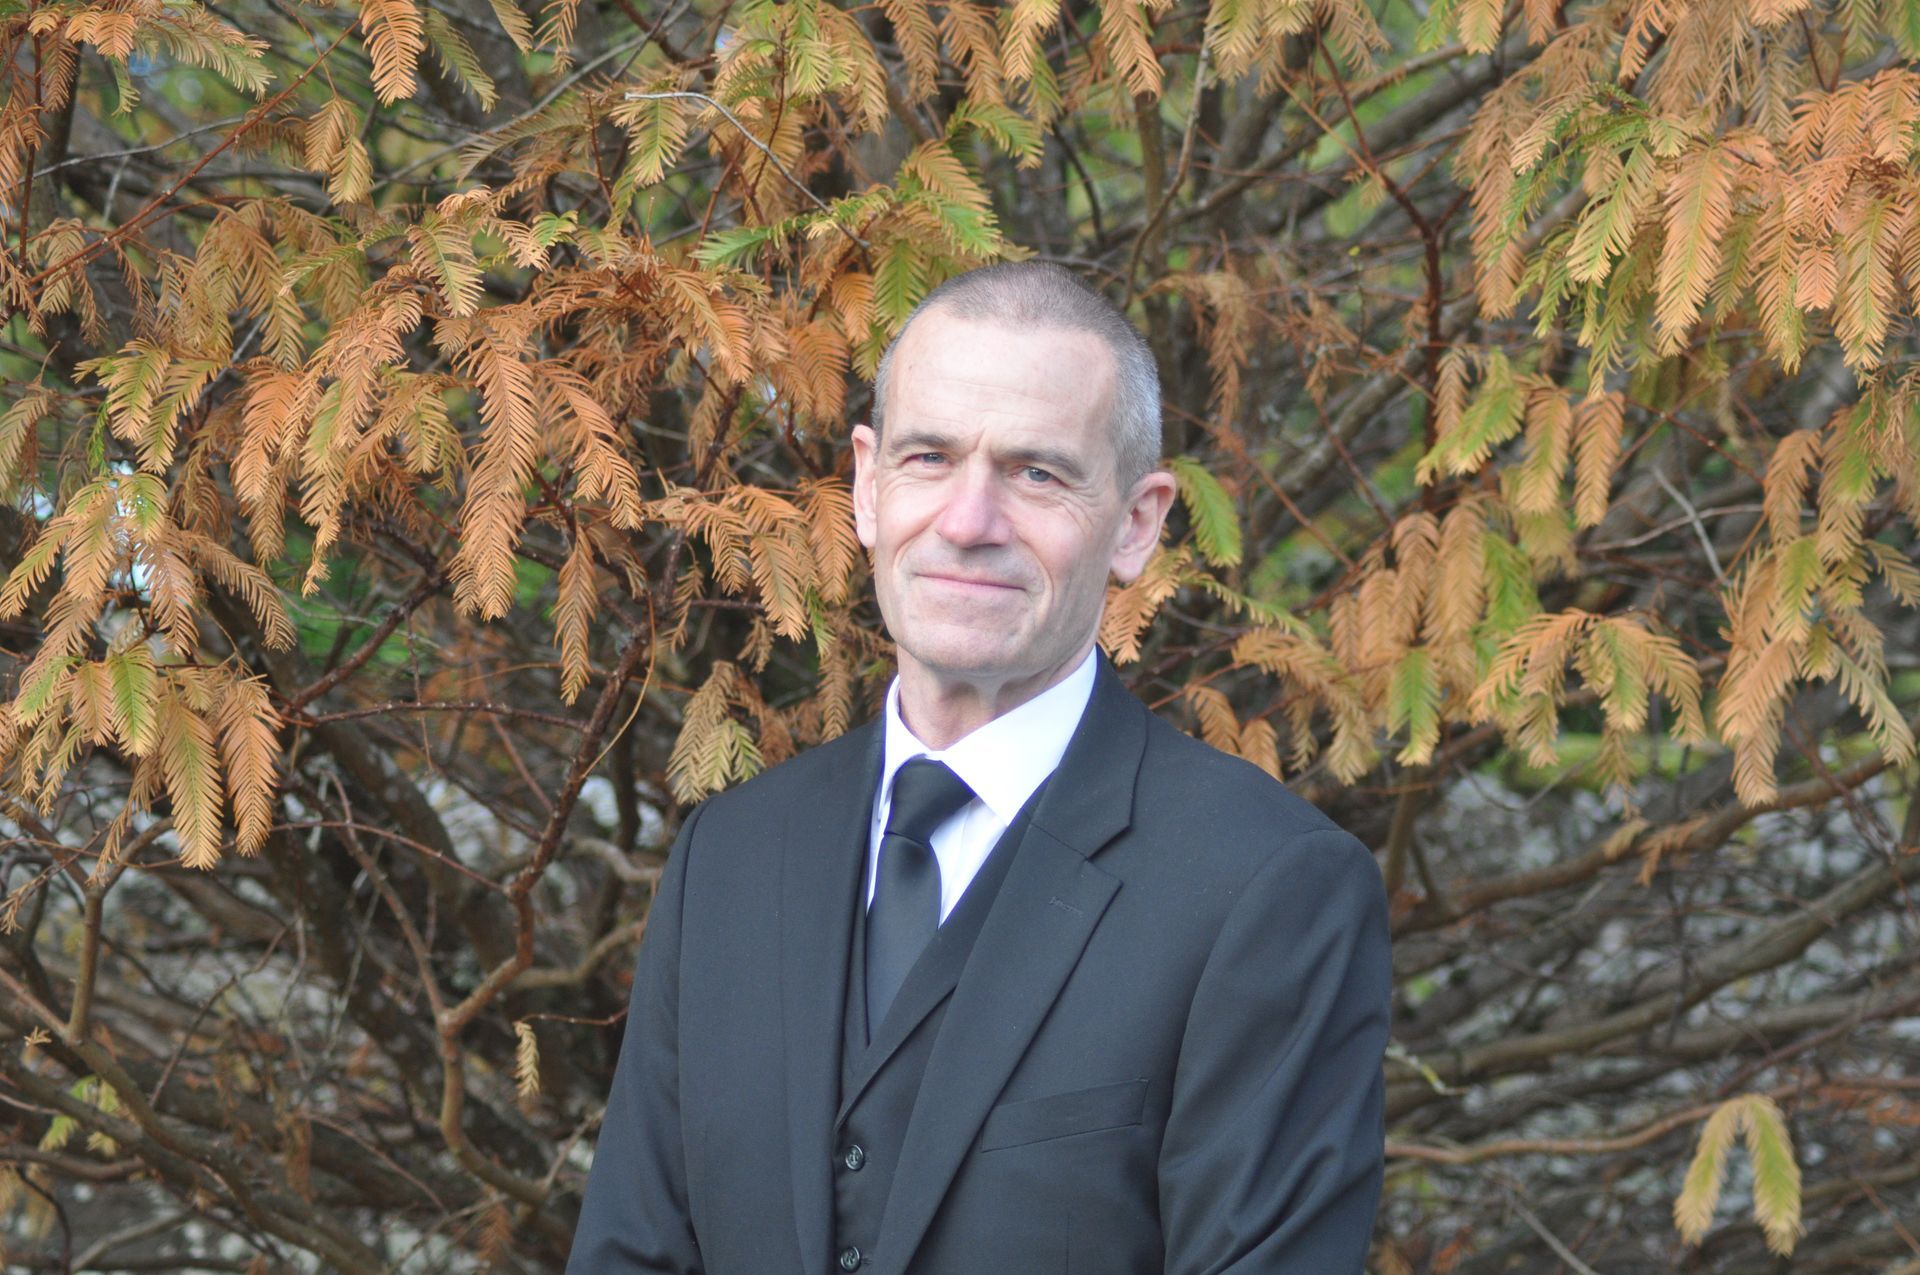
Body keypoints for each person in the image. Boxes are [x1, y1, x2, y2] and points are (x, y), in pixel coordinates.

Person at [565, 262, 1392, 1274]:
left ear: (1136, 524)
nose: (967, 522)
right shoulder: (729, 858)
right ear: (867, 487)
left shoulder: (1269, 888)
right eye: (929, 457)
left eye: (1037, 473)